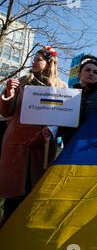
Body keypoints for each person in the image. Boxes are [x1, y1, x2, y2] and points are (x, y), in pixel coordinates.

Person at [0, 46, 67, 223]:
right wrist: (8, 92)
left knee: (33, 194)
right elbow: (7, 111)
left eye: (38, 59)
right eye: (34, 59)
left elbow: (62, 116)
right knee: (13, 198)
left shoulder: (61, 87)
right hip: (17, 143)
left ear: (49, 63)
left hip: (41, 147)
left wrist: (50, 132)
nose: (34, 62)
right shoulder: (22, 82)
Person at [59, 55, 97, 145]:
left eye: (95, 72)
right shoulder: (67, 96)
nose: (91, 73)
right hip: (71, 146)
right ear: (79, 74)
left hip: (92, 146)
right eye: (87, 70)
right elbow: (60, 123)